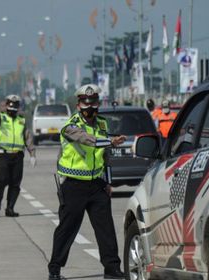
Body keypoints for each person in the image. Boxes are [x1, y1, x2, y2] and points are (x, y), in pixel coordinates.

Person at [48, 84, 126, 280]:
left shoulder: (102, 124)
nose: (90, 107)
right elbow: (86, 140)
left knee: (106, 228)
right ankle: (55, 269)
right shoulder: (70, 126)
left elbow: (106, 156)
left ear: (98, 103)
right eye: (85, 103)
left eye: (93, 103)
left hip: (97, 185)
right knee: (67, 229)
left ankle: (112, 268)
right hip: (74, 185)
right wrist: (111, 141)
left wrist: (108, 181)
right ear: (78, 105)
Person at [0, 88, 36, 218]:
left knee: (15, 182)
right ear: (7, 106)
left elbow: (27, 137)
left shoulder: (22, 120)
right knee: (2, 180)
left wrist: (32, 154)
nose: (12, 110)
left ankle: (10, 208)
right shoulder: (1, 118)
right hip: (3, 154)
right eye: (10, 106)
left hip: (18, 155)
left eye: (15, 107)